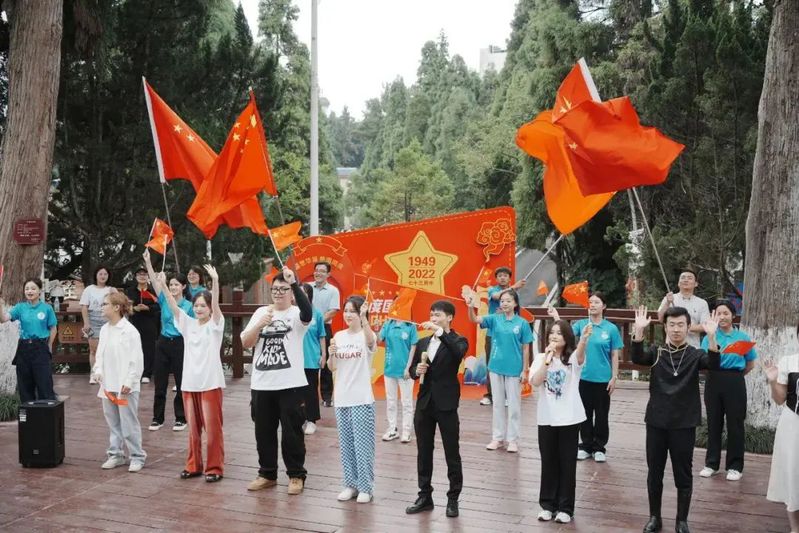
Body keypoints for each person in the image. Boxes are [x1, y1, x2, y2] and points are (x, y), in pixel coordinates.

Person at [631, 306, 725, 533]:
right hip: (657, 421)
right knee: (654, 472)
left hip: (684, 423)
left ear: (688, 327)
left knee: (683, 473)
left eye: (681, 325)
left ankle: (681, 520)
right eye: (671, 325)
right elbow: (638, 357)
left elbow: (714, 364)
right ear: (665, 327)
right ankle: (655, 517)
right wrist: (639, 331)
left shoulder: (695, 354)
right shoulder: (657, 352)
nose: (676, 329)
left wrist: (712, 336)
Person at [241, 267, 312, 496]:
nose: (278, 293)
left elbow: (308, 313)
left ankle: (296, 475)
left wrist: (294, 283)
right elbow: (246, 342)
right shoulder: (261, 312)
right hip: (262, 384)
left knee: (292, 433)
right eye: (275, 289)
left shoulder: (296, 313)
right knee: (263, 432)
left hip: (290, 384)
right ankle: (267, 474)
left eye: (283, 289)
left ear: (291, 293)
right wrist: (259, 324)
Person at [405, 300, 468, 519]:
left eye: (438, 315)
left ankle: (453, 498)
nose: (433, 318)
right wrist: (416, 370)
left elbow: (457, 354)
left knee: (452, 451)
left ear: (449, 317)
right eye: (431, 314)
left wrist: (441, 332)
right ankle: (424, 496)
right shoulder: (423, 342)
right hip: (424, 403)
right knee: (424, 451)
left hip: (446, 403)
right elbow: (412, 370)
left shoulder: (458, 340)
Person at [164, 265, 226, 483]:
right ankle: (193, 465)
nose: (199, 309)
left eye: (203, 306)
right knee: (193, 430)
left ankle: (215, 467)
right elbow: (173, 306)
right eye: (197, 305)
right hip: (190, 383)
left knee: (213, 429)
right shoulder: (188, 324)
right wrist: (163, 285)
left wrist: (215, 281)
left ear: (209, 308)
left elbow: (216, 305)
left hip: (210, 383)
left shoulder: (216, 325)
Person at [549, 293, 623, 463]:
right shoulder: (582, 324)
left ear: (604, 306)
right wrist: (556, 317)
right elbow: (566, 334)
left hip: (603, 378)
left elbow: (614, 354)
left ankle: (599, 447)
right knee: (584, 413)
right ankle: (586, 446)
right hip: (583, 377)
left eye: (596, 302)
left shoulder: (610, 328)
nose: (593, 305)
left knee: (602, 414)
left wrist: (614, 377)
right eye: (590, 302)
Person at [529, 319, 590, 524]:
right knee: (548, 462)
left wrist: (584, 340)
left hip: (569, 418)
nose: (554, 336)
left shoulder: (571, 358)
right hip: (546, 418)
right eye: (552, 333)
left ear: (567, 338)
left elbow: (579, 355)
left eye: (559, 333)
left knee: (567, 463)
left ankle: (565, 508)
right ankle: (548, 505)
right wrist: (546, 361)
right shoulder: (541, 358)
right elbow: (535, 381)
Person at [467, 287, 533, 452]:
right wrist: (470, 307)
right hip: (495, 366)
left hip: (514, 368)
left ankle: (513, 440)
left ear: (515, 303)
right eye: (502, 301)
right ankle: (497, 438)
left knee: (514, 405)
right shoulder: (495, 319)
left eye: (508, 301)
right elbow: (475, 319)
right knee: (497, 404)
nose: (504, 303)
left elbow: (526, 348)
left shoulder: (522, 323)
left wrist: (525, 370)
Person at [699, 299, 757, 481]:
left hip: (735, 381)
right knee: (713, 422)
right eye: (718, 313)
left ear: (733, 315)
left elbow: (750, 363)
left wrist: (734, 376)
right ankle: (711, 464)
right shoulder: (709, 336)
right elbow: (704, 362)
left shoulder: (743, 337)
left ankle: (735, 466)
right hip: (713, 380)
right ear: (713, 316)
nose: (722, 317)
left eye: (726, 313)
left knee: (735, 424)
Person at [329, 295, 377, 504]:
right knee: (347, 444)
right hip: (342, 398)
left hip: (361, 399)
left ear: (361, 314)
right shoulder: (339, 336)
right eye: (346, 311)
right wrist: (331, 354)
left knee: (363, 445)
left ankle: (366, 487)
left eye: (353, 311)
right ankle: (350, 484)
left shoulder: (367, 335)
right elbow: (332, 367)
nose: (348, 315)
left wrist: (365, 318)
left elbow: (370, 342)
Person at [91, 292, 146, 472]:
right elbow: (100, 355)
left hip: (124, 388)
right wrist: (98, 371)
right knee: (113, 422)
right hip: (108, 386)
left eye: (105, 304)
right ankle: (116, 454)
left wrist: (130, 381)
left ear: (116, 307)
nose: (102, 307)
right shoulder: (105, 329)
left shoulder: (130, 331)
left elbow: (136, 359)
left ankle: (137, 456)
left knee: (128, 422)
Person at [143, 250, 192, 432]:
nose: (172, 287)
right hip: (163, 342)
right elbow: (155, 282)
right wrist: (148, 262)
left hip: (180, 343)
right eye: (171, 284)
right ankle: (158, 418)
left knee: (181, 382)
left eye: (176, 284)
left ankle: (181, 418)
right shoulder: (163, 299)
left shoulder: (189, 305)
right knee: (160, 382)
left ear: (183, 287)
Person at [764, 325, 799, 533]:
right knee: (793, 470)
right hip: (793, 423)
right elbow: (780, 399)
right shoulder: (789, 361)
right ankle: (795, 527)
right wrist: (772, 381)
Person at [0, 278, 57, 402]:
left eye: (33, 288)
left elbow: (53, 329)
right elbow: (3, 319)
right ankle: (28, 412)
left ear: (39, 290)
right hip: (24, 348)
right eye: (27, 289)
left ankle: (46, 411)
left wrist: (49, 345)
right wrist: (0, 305)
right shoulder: (20, 307)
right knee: (25, 384)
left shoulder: (47, 308)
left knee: (44, 382)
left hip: (41, 347)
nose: (29, 291)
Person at [481, 267, 526, 406]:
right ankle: (490, 395)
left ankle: (506, 396)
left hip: (510, 334)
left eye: (505, 275)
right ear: (496, 278)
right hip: (493, 334)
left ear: (509, 278)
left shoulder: (514, 294)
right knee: (491, 364)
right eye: (500, 275)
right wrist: (514, 287)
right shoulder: (492, 290)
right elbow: (496, 296)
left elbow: (517, 312)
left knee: (509, 363)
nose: (502, 278)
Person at [379, 317, 418, 443]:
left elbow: (413, 347)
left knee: (406, 402)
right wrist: (380, 326)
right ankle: (392, 429)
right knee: (391, 401)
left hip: (405, 372)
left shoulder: (410, 326)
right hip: (389, 369)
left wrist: (408, 368)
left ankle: (406, 431)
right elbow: (379, 339)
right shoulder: (388, 324)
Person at [80, 265, 116, 384]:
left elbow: (119, 304)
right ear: (96, 275)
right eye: (100, 274)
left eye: (105, 274)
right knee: (93, 350)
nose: (103, 276)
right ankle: (94, 373)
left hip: (108, 320)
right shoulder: (89, 289)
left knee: (108, 349)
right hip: (93, 320)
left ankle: (107, 374)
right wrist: (86, 323)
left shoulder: (111, 289)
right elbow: (84, 307)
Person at [311, 261, 340, 407]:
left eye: (322, 271)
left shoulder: (333, 291)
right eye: (316, 270)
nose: (318, 273)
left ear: (328, 274)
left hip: (324, 327)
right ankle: (309, 396)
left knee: (326, 363)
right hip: (307, 329)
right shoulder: (307, 287)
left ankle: (327, 397)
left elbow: (333, 311)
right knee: (309, 362)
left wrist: (317, 321)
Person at [657, 269, 709, 348]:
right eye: (683, 277)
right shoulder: (669, 298)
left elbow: (705, 326)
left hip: (693, 347)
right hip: (671, 346)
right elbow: (661, 319)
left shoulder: (702, 303)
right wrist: (667, 303)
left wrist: (685, 327)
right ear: (678, 283)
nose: (686, 280)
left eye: (689, 278)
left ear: (696, 284)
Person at [126, 267, 160, 384]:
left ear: (148, 277)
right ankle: (135, 373)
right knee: (134, 348)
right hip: (134, 322)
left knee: (148, 349)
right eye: (139, 274)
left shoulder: (153, 291)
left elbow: (159, 306)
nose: (142, 276)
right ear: (136, 277)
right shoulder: (130, 291)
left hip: (150, 322)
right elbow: (126, 306)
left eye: (144, 274)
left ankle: (147, 373)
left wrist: (148, 308)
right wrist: (134, 308)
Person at [301, 283, 326, 435]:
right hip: (295, 360)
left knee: (310, 391)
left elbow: (322, 336)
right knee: (295, 392)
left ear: (310, 296)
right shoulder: (293, 313)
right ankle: (299, 418)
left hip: (311, 358)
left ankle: (311, 420)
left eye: (304, 293)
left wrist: (323, 355)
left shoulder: (317, 314)